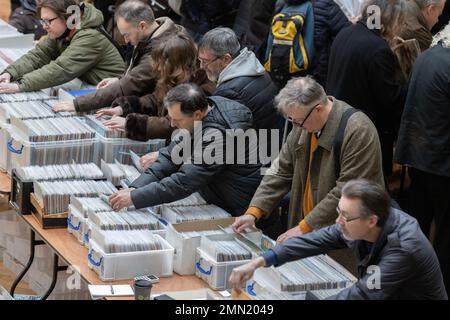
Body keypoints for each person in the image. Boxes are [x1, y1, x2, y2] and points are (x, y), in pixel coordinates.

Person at [232, 77, 384, 256]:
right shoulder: (304, 123)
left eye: (297, 121)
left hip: (344, 236)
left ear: (318, 109)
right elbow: (280, 170)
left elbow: (346, 192)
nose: (295, 126)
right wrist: (254, 212)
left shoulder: (358, 130)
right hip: (307, 229)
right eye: (291, 120)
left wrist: (304, 227)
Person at [230, 179, 448, 300]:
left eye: (345, 215)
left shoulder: (403, 249)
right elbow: (313, 241)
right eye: (339, 211)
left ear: (371, 220)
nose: (338, 220)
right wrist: (260, 261)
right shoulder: (360, 224)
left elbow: (362, 295)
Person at [108, 83, 262, 217]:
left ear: (197, 114)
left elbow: (184, 181)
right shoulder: (201, 116)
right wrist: (135, 188)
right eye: (171, 118)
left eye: (178, 120)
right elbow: (170, 156)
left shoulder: (218, 135)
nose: (173, 124)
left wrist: (135, 197)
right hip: (216, 194)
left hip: (235, 206)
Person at [394, 23, 450, 293]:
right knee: (445, 235)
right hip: (442, 164)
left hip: (416, 156)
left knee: (415, 224)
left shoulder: (428, 56)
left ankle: (407, 279)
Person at [52, 0, 182, 113]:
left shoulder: (161, 49)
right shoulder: (150, 35)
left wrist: (78, 104)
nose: (125, 41)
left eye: (127, 34)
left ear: (142, 26)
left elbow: (132, 84)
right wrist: (120, 79)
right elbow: (136, 76)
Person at [326, 0, 407, 176]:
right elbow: (391, 100)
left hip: (337, 126)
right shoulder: (377, 49)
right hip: (365, 136)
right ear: (390, 19)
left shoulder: (345, 33)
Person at [96, 32, 215, 142]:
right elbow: (155, 100)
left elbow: (173, 124)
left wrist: (131, 124)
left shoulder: (201, 88)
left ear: (176, 64)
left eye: (162, 64)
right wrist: (124, 108)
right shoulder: (173, 76)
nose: (158, 68)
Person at [0, 0, 125, 93]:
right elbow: (38, 55)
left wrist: (20, 85)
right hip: (92, 87)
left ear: (67, 17)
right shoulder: (63, 31)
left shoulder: (90, 37)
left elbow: (60, 69)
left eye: (48, 21)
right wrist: (10, 73)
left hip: (113, 92)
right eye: (42, 21)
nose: (44, 26)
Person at [198, 27, 284, 156]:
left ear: (226, 59)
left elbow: (220, 143)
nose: (201, 67)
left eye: (205, 62)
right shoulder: (253, 67)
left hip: (257, 162)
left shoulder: (231, 92)